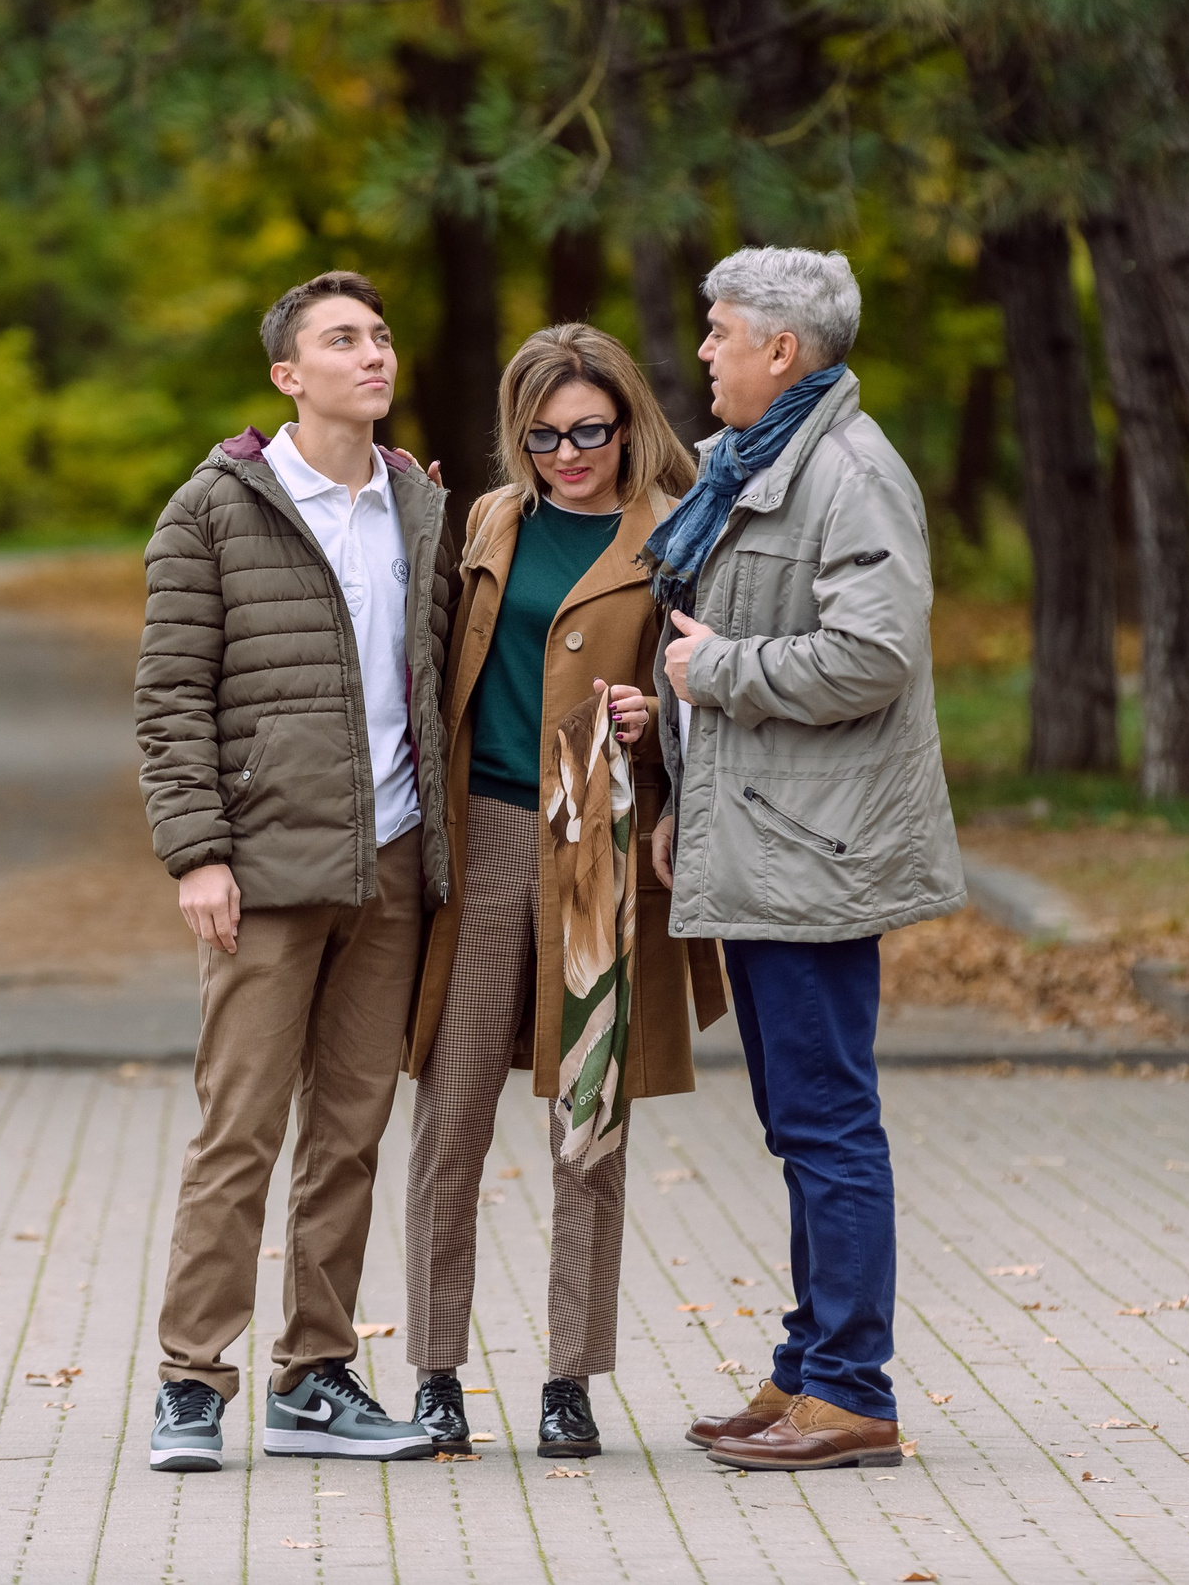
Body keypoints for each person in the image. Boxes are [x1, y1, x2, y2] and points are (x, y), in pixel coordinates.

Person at [648, 248, 965, 1471]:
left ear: (783, 349)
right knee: (797, 1123)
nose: (707, 351)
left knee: (828, 1125)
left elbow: (870, 655)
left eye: (722, 331)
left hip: (816, 855)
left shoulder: (848, 467)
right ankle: (805, 1372)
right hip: (767, 842)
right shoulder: (766, 462)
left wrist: (715, 671)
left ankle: (851, 1392)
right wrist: (681, 774)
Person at [134, 270, 455, 1472]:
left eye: (378, 334)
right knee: (239, 1133)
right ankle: (189, 1382)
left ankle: (315, 1377)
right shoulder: (213, 510)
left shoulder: (421, 504)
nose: (372, 354)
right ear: (288, 376)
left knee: (351, 1134)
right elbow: (168, 700)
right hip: (263, 872)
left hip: (391, 861)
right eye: (341, 340)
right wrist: (198, 854)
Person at [399, 325, 728, 1460]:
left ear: (628, 422)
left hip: (598, 833)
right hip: (486, 830)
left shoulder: (680, 532)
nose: (567, 455)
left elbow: (707, 678)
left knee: (588, 1120)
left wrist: (655, 722)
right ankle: (436, 1375)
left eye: (589, 430)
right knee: (450, 1115)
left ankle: (568, 1381)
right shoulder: (490, 521)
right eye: (542, 437)